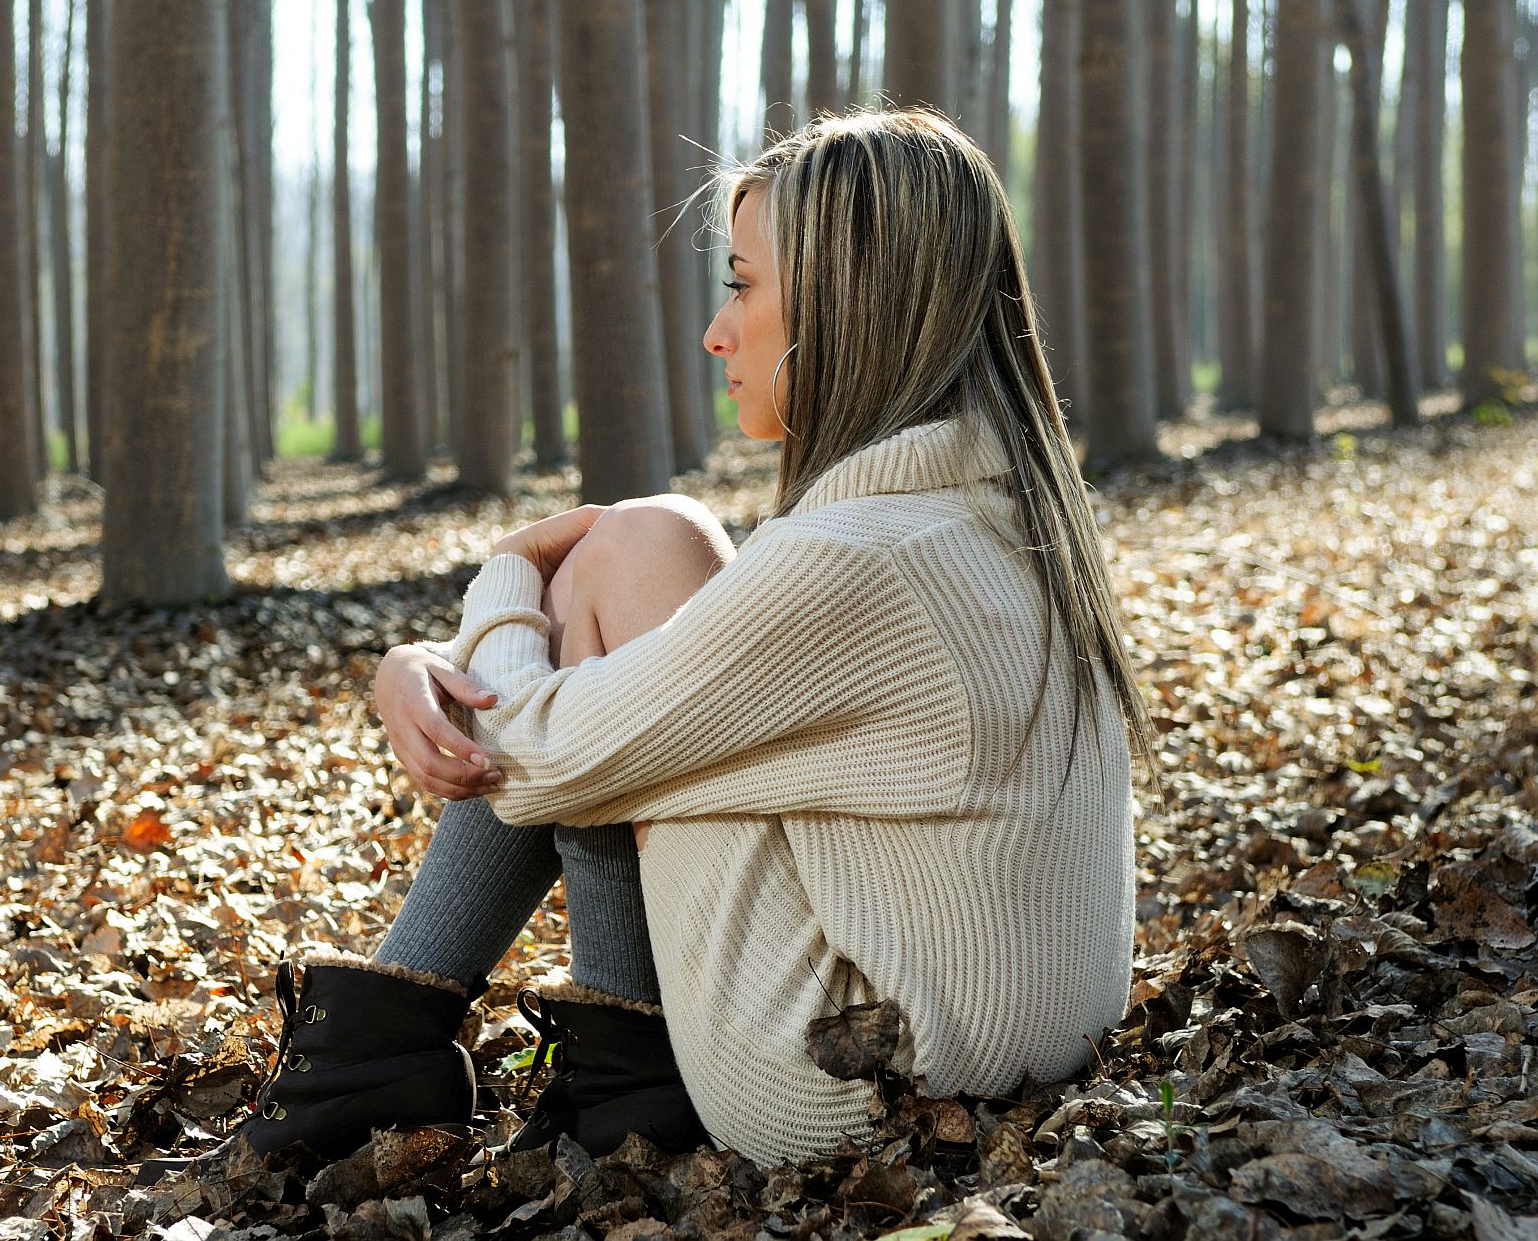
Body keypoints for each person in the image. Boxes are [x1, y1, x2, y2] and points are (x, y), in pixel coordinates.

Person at [225, 107, 1155, 1171]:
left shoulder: (864, 559)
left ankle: (403, 1063)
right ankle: (535, 1067)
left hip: (848, 1087)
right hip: (987, 1057)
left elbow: (533, 767)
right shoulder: (991, 517)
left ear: (849, 304)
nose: (719, 332)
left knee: (635, 552)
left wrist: (505, 575)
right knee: (639, 566)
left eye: (744, 285)